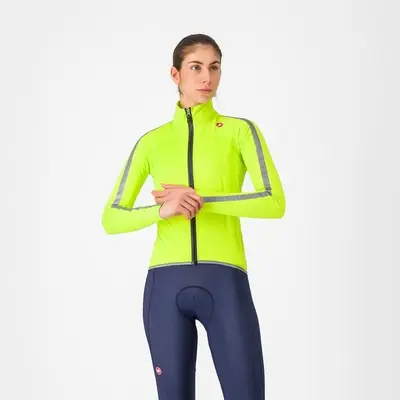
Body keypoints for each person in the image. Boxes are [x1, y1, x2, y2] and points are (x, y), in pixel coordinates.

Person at [102, 33, 286, 400]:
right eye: (196, 68)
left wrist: (199, 201)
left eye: (214, 68)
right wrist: (163, 210)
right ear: (176, 74)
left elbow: (273, 202)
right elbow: (112, 217)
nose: (207, 78)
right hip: (164, 286)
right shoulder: (151, 142)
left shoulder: (240, 131)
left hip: (225, 282)